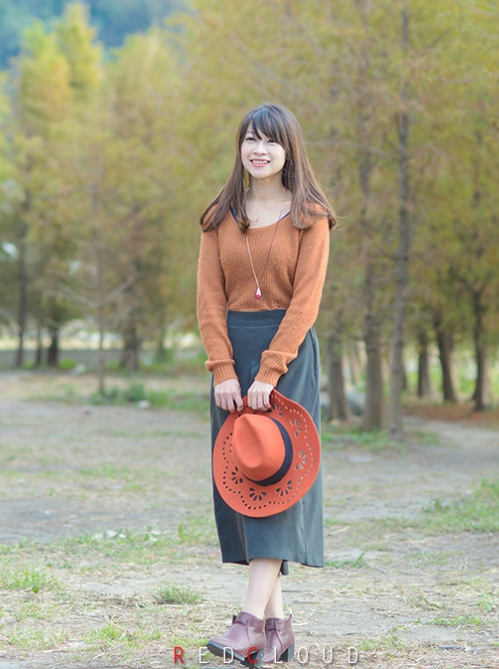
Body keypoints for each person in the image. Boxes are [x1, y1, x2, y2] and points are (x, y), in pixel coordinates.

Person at [197, 102, 335, 665]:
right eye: (250, 139)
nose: (259, 150)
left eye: (271, 141)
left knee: (277, 480)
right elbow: (208, 298)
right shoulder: (219, 215)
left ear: (288, 150)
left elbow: (306, 301)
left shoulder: (311, 216)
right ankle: (278, 629)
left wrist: (271, 369)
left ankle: (249, 623)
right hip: (232, 357)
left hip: (288, 356)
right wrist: (223, 368)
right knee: (246, 481)